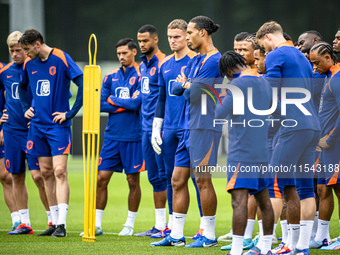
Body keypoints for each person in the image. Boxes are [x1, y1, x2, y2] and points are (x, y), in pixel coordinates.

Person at [151, 15, 222, 248]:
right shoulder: (196, 61)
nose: (187, 37)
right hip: (186, 125)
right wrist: (187, 85)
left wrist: (188, 85)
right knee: (176, 179)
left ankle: (208, 235)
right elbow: (176, 87)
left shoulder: (214, 60)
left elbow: (191, 93)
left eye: (189, 33)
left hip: (204, 126)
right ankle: (177, 235)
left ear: (202, 33)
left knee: (202, 180)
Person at [255, 21, 320, 255]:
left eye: (264, 46)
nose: (265, 52)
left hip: (293, 126)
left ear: (269, 38)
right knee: (302, 188)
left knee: (272, 184)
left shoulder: (276, 55)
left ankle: (263, 246)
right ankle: (299, 246)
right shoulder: (302, 57)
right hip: (312, 124)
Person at [18, 29, 83, 237]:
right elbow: (22, 88)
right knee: (45, 173)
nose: (25, 54)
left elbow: (82, 83)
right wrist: (26, 106)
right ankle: (54, 223)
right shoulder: (29, 64)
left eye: (27, 49)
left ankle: (62, 225)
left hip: (57, 126)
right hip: (37, 126)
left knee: (59, 172)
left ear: (37, 44)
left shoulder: (62, 58)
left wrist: (70, 113)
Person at [79, 38, 143, 237]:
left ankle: (129, 225)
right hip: (112, 136)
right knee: (101, 179)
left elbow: (136, 104)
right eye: (118, 54)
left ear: (134, 52)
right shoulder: (109, 77)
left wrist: (112, 100)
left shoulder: (142, 74)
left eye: (125, 53)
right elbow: (98, 105)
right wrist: (124, 103)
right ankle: (96, 225)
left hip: (134, 136)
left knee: (132, 180)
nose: (121, 57)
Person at [216, 50, 274, 255]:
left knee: (238, 201)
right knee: (264, 201)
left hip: (242, 151)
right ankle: (266, 247)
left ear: (229, 70)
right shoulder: (265, 82)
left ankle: (237, 250)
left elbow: (219, 112)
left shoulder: (236, 85)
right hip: (261, 151)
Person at [150, 19, 203, 239]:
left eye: (177, 36)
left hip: (190, 126)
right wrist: (157, 125)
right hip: (170, 128)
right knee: (171, 178)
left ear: (187, 36)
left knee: (198, 179)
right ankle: (172, 226)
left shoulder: (196, 61)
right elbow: (161, 98)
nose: (173, 40)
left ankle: (203, 227)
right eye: (170, 37)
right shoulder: (164, 64)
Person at [1, 31, 52, 235]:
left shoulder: (38, 68)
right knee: (16, 175)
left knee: (39, 176)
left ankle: (53, 220)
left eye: (18, 50)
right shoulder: (4, 73)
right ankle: (24, 222)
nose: (15, 54)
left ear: (27, 48)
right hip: (12, 130)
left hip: (34, 129)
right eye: (11, 51)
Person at [135, 24, 168, 236]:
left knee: (167, 176)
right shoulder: (143, 65)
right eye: (139, 41)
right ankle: (159, 225)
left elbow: (164, 98)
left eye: (145, 41)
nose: (141, 45)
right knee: (153, 177)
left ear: (155, 40)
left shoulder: (164, 62)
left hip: (160, 127)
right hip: (144, 128)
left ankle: (172, 226)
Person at [309, 42, 340, 250]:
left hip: (334, 146)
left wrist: (329, 139)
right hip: (325, 147)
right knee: (324, 188)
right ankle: (321, 237)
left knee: (338, 189)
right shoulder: (329, 76)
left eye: (316, 63)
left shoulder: (337, 78)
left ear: (328, 58)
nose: (314, 68)